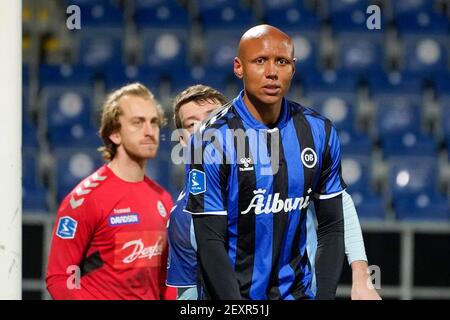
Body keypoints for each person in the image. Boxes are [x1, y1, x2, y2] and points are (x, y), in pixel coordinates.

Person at [183, 24, 367, 300]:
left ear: (292, 68)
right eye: (260, 61)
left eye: (281, 62)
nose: (271, 72)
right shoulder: (209, 141)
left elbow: (331, 226)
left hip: (296, 293)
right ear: (238, 67)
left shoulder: (319, 132)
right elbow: (210, 242)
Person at [168, 85, 381, 300]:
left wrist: (361, 275)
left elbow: (340, 208)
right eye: (192, 124)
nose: (205, 127)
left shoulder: (283, 168)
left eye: (213, 117)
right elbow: (189, 294)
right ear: (183, 140)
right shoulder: (181, 218)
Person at [46, 83, 176, 300]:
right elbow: (59, 279)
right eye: (138, 122)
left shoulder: (163, 199)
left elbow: (167, 277)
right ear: (114, 134)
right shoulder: (84, 199)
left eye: (154, 123)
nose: (149, 131)